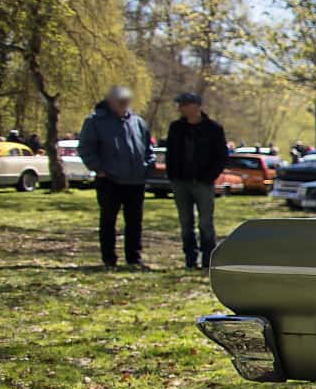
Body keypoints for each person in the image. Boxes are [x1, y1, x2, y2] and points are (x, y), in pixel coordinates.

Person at [77, 85, 154, 269]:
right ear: (110, 102)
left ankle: (134, 258)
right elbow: (86, 148)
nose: (124, 104)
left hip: (136, 181)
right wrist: (99, 169)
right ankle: (109, 259)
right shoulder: (95, 121)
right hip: (110, 181)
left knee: (134, 222)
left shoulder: (137, 122)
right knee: (108, 221)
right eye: (120, 101)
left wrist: (147, 166)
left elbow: (148, 148)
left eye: (126, 101)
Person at [164, 92, 229, 270]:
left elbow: (221, 157)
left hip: (203, 182)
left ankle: (208, 259)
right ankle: (190, 259)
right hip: (180, 182)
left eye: (184, 104)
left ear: (196, 106)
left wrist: (209, 176)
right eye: (180, 105)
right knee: (186, 222)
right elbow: (170, 154)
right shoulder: (176, 128)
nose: (181, 108)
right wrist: (172, 175)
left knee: (205, 223)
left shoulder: (213, 128)